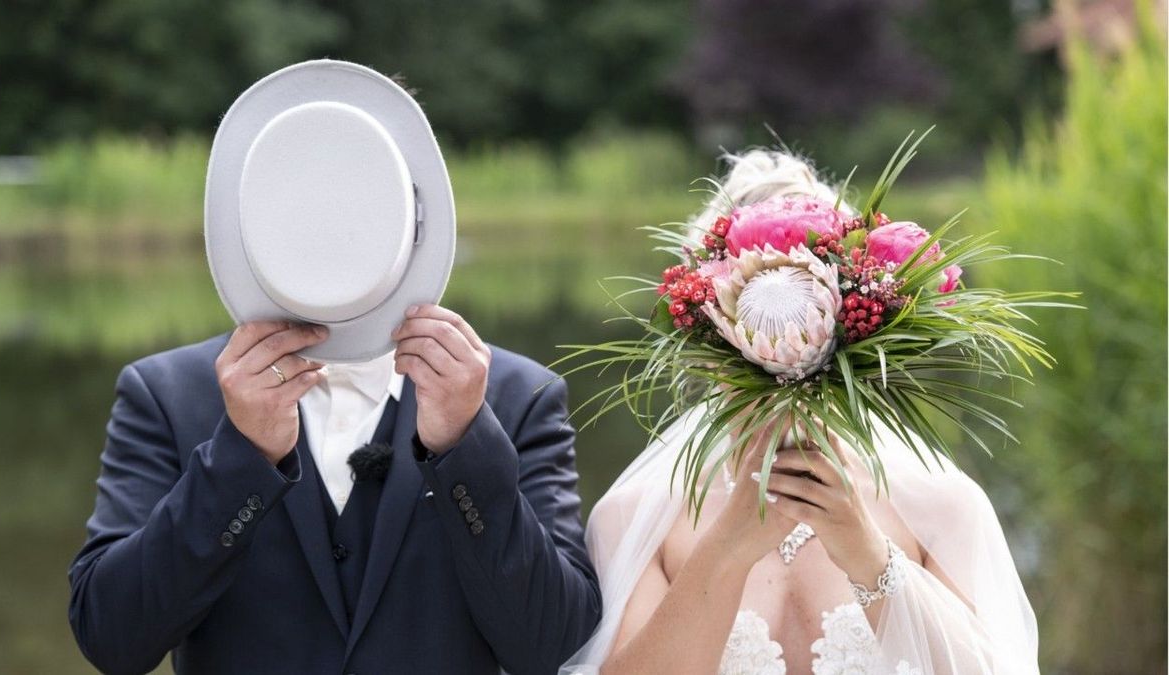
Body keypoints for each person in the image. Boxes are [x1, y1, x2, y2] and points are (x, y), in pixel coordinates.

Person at [559, 152, 1040, 675]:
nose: (781, 375)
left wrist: (868, 556)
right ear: (705, 336)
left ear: (854, 336)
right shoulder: (634, 521)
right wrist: (725, 552)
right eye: (747, 346)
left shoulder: (940, 504)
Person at [68, 309, 602, 674]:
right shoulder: (165, 392)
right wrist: (242, 458)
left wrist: (465, 444)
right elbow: (113, 639)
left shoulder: (518, 394)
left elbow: (555, 650)